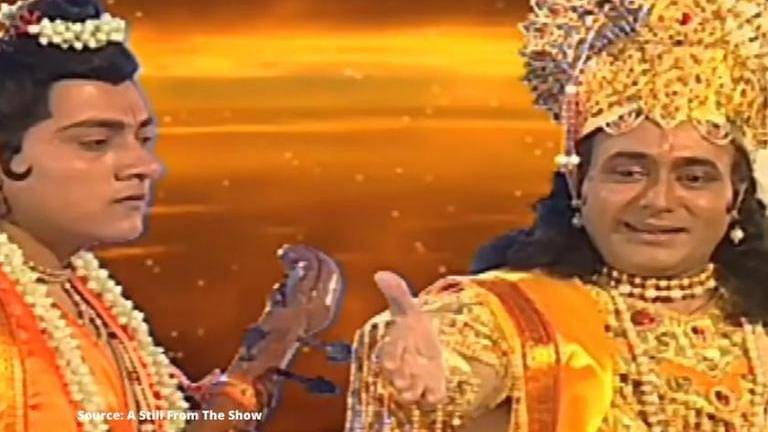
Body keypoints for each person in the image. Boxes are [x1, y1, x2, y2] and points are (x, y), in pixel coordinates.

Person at [345, 0, 768, 431]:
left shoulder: (759, 327)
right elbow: (461, 358)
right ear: (578, 183)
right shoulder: (519, 317)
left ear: (735, 196)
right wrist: (436, 375)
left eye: (694, 178)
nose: (659, 200)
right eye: (628, 173)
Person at [0, 1, 345, 431]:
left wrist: (280, 334)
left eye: (143, 139)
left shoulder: (76, 290)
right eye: (95, 142)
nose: (145, 166)